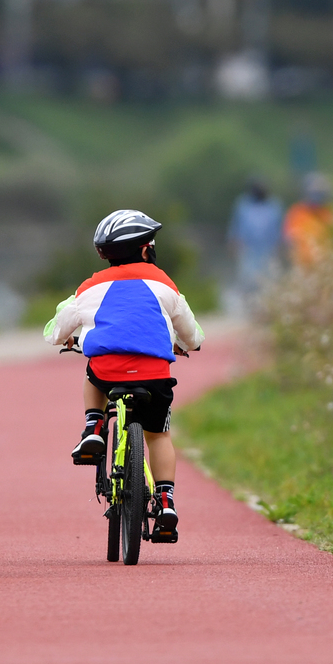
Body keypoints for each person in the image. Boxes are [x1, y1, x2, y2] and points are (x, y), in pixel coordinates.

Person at [43, 210, 204, 538]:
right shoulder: (165, 285)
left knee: (92, 372)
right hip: (155, 375)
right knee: (158, 435)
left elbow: (57, 331)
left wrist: (68, 337)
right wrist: (184, 345)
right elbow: (193, 336)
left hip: (108, 372)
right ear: (146, 248)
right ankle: (166, 500)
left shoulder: (89, 287)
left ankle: (95, 424)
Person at [227, 177, 284, 301]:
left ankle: (267, 304)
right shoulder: (243, 204)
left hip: (268, 248)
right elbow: (236, 225)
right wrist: (234, 242)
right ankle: (248, 305)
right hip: (248, 248)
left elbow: (278, 228)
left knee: (269, 278)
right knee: (247, 278)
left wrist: (280, 246)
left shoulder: (274, 205)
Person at [282, 172, 333, 269]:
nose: (316, 197)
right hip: (302, 265)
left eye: (319, 193)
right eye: (314, 193)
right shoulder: (297, 213)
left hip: (325, 265)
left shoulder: (328, 214)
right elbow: (289, 239)